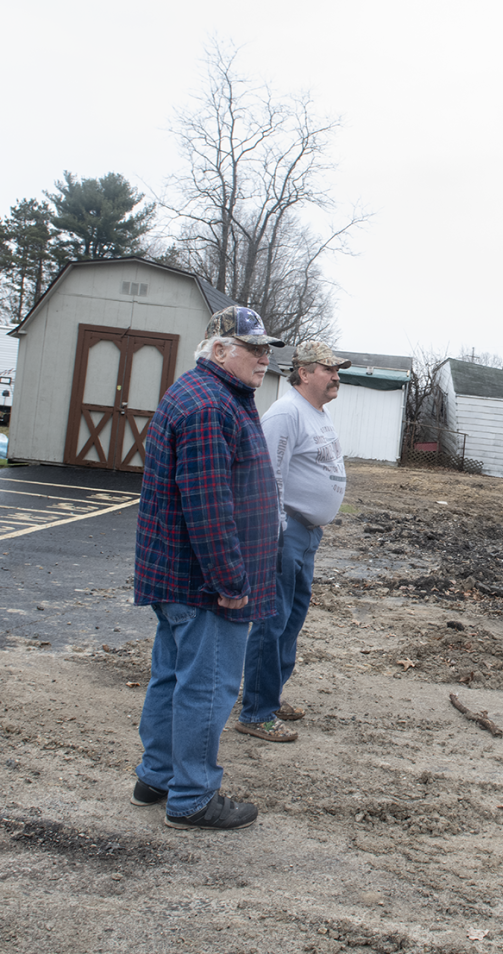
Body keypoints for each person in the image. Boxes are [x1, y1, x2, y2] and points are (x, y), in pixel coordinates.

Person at [131, 305, 284, 831]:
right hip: (202, 585)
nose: (265, 359)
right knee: (208, 685)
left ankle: (156, 777)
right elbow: (208, 505)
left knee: (173, 677)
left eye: (267, 349)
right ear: (220, 350)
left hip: (181, 578)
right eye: (254, 349)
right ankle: (192, 796)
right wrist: (230, 582)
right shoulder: (208, 405)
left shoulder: (212, 396)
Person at [235, 341, 351, 743]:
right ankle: (256, 712)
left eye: (337, 370)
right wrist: (277, 530)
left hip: (308, 535)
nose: (336, 376)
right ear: (303, 372)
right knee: (273, 621)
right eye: (328, 369)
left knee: (291, 619)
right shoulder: (285, 413)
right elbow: (268, 477)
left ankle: (270, 695)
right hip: (286, 533)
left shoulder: (317, 414)